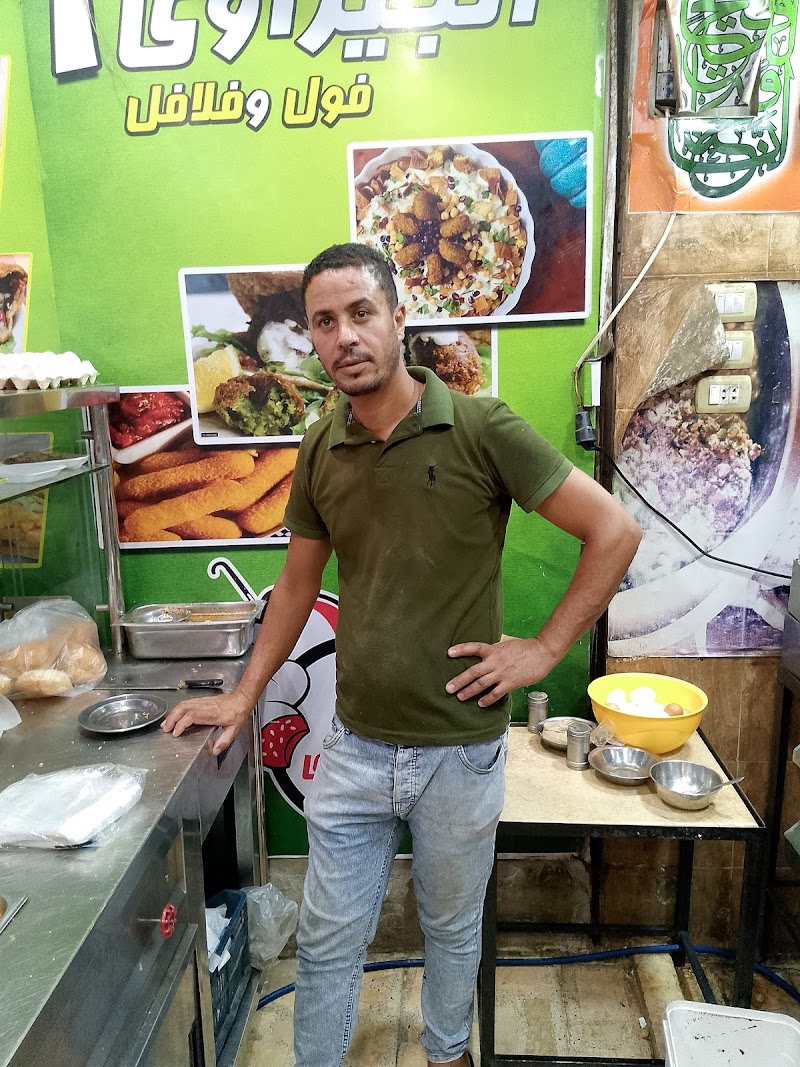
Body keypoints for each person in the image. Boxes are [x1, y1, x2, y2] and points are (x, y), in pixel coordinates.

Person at [162, 243, 641, 1067]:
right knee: (326, 935)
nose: (344, 336)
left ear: (397, 317)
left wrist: (545, 647)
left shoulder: (481, 427)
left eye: (361, 313)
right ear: (311, 337)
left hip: (459, 750)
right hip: (354, 744)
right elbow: (297, 585)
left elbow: (614, 529)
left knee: (451, 927)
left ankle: (446, 1052)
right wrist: (243, 694)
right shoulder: (320, 446)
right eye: (324, 321)